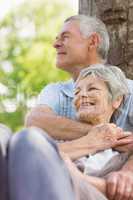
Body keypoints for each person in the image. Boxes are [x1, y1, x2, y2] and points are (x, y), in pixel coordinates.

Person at [25, 15, 133, 200]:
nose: (55, 44)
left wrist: (129, 173)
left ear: (93, 41)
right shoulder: (55, 91)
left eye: (65, 37)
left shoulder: (129, 90)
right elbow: (35, 122)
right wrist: (102, 136)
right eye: (77, 92)